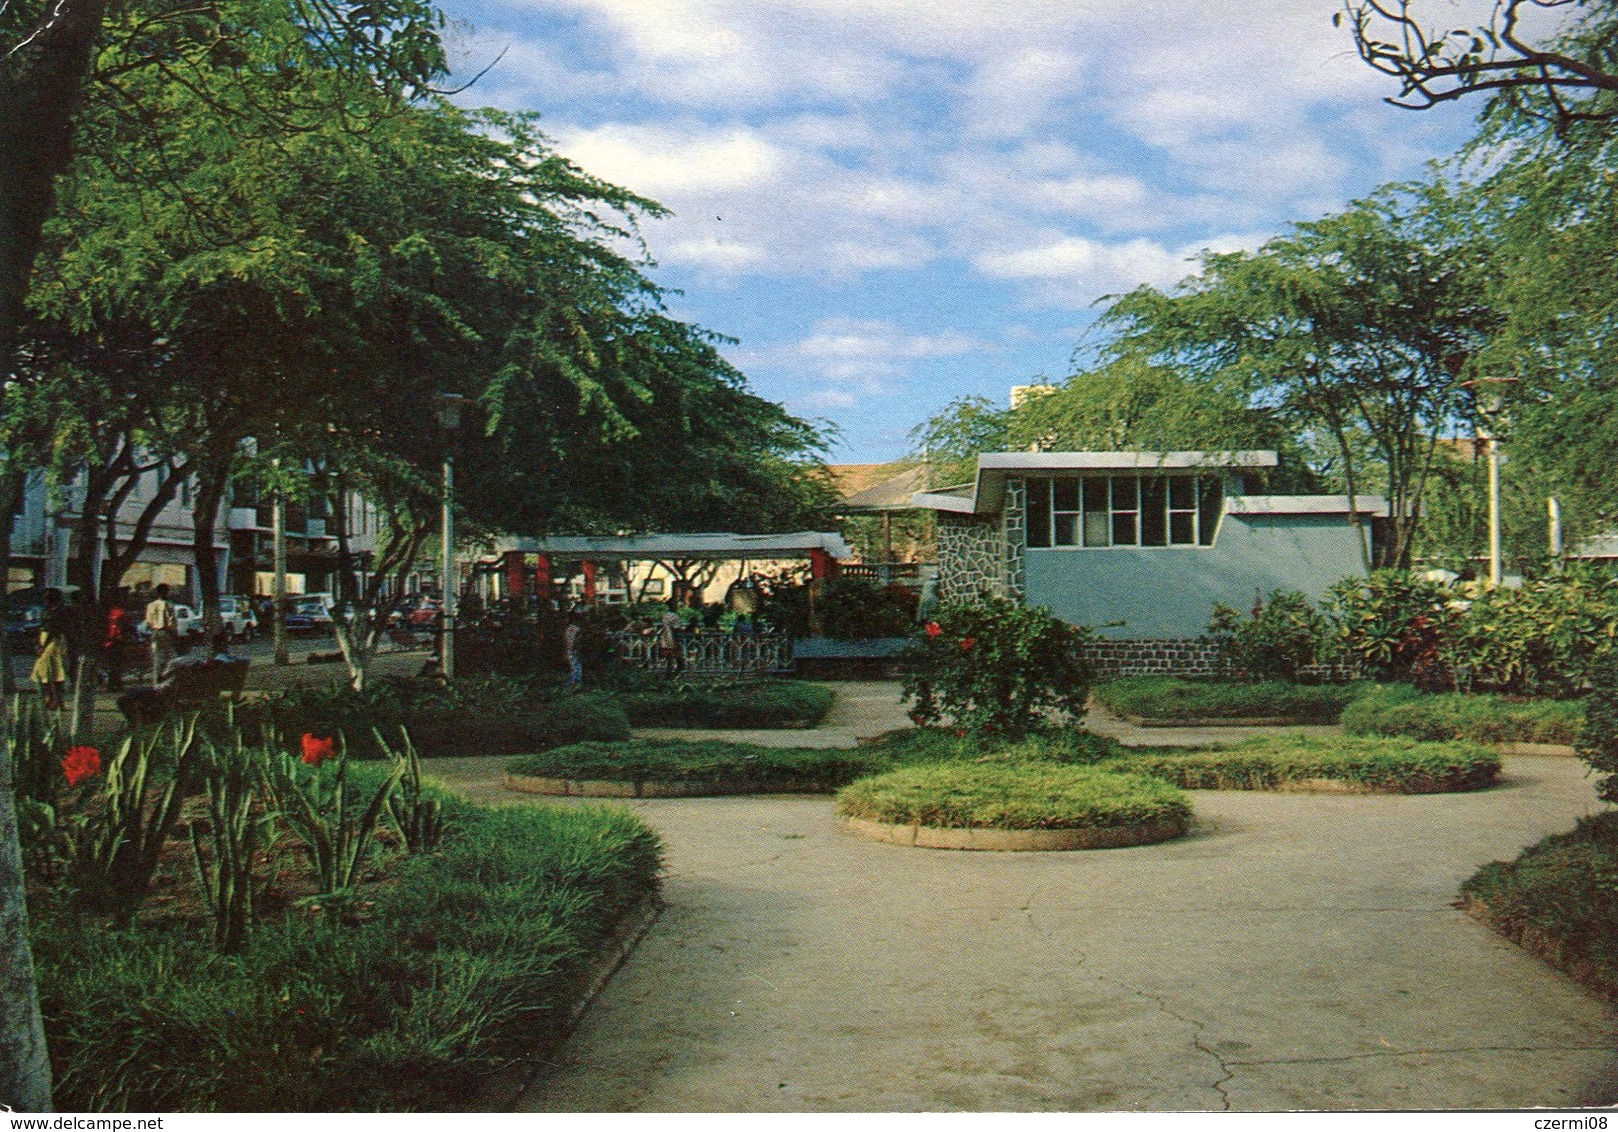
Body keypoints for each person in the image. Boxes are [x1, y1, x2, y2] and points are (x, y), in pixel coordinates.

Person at [30, 588, 69, 710]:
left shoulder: (59, 612)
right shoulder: (47, 611)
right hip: (45, 639)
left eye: (47, 598)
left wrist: (43, 646)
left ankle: (55, 701)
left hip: (53, 643)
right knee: (46, 672)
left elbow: (53, 631)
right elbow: (41, 628)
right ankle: (51, 700)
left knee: (53, 671)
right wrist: (38, 643)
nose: (45, 600)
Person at [145, 583, 178, 683]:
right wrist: (174, 632)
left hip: (155, 632)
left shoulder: (151, 605)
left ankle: (156, 680)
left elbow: (148, 621)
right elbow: (171, 621)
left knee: (157, 658)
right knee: (172, 657)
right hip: (166, 632)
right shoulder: (168, 604)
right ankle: (171, 679)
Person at [102, 588, 134, 691]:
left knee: (111, 664)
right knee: (117, 664)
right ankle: (116, 683)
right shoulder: (121, 613)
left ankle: (112, 684)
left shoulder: (107, 613)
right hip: (117, 640)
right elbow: (127, 626)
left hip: (108, 640)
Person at [659, 599, 683, 675]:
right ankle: (676, 671)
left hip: (665, 636)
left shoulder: (665, 615)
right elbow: (675, 628)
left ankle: (669, 672)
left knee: (669, 656)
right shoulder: (674, 615)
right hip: (672, 636)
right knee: (676, 654)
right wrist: (677, 638)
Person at [564, 610, 584, 686]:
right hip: (573, 648)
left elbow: (566, 640)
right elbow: (577, 640)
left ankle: (575, 680)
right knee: (576, 664)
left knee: (574, 664)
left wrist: (567, 649)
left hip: (571, 648)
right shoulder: (577, 629)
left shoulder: (568, 629)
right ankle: (576, 679)